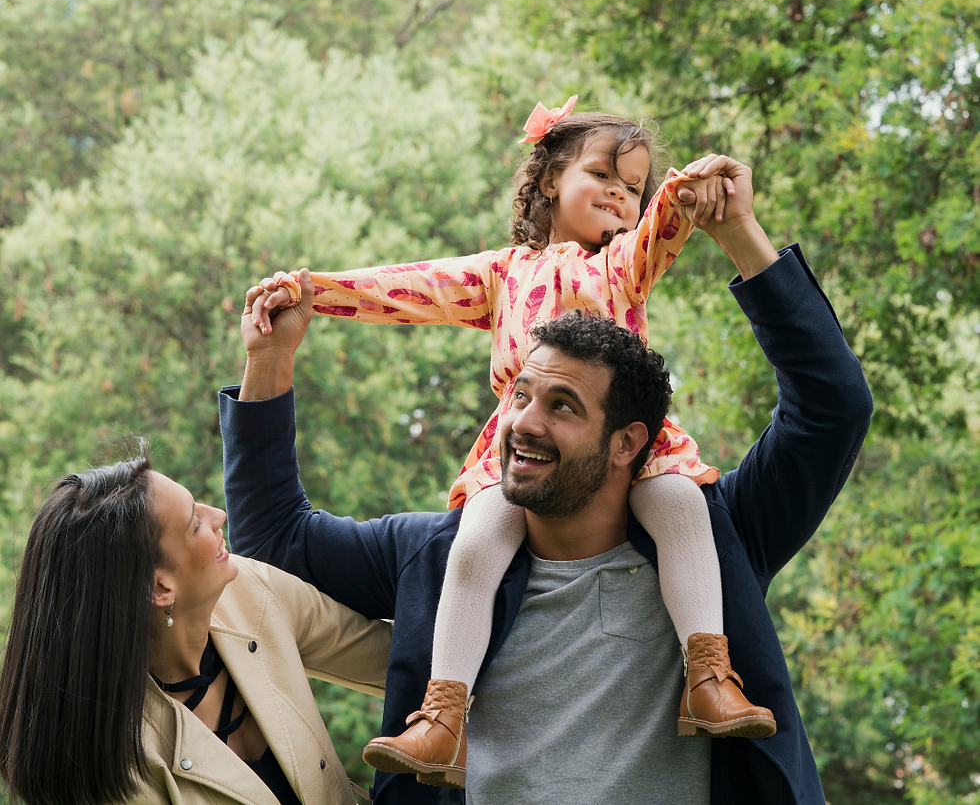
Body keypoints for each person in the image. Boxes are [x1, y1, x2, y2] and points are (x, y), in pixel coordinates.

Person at [221, 154, 874, 805]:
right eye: (520, 396)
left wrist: (737, 232)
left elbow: (832, 407)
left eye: (562, 406)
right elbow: (275, 545)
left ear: (628, 443)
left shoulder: (718, 537)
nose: (522, 424)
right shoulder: (439, 559)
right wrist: (272, 361)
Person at [0, 443, 391, 805]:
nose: (218, 515)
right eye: (194, 523)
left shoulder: (250, 593)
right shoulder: (119, 773)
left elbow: (391, 656)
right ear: (160, 587)